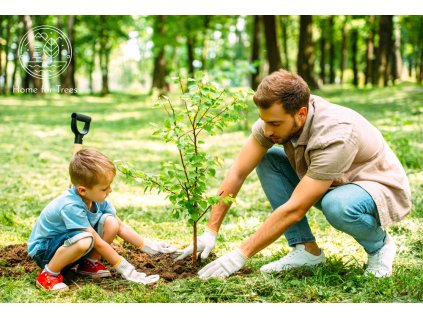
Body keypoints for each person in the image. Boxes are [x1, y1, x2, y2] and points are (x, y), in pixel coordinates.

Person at [176, 69, 412, 279]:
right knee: (269, 160)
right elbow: (238, 171)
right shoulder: (275, 121)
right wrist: (210, 230)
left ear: (301, 113)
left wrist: (240, 254)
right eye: (263, 121)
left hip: (375, 186)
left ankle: (379, 246)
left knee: (336, 205)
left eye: (275, 124)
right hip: (332, 180)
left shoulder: (335, 134)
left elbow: (296, 207)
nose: (267, 131)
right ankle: (306, 251)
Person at [28, 148, 177, 291]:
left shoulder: (97, 198)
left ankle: (88, 264)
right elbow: (97, 243)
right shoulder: (70, 205)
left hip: (67, 245)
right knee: (85, 239)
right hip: (45, 251)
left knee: (111, 222)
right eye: (104, 188)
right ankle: (48, 274)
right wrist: (126, 269)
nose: (110, 190)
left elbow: (120, 226)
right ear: (82, 190)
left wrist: (148, 247)